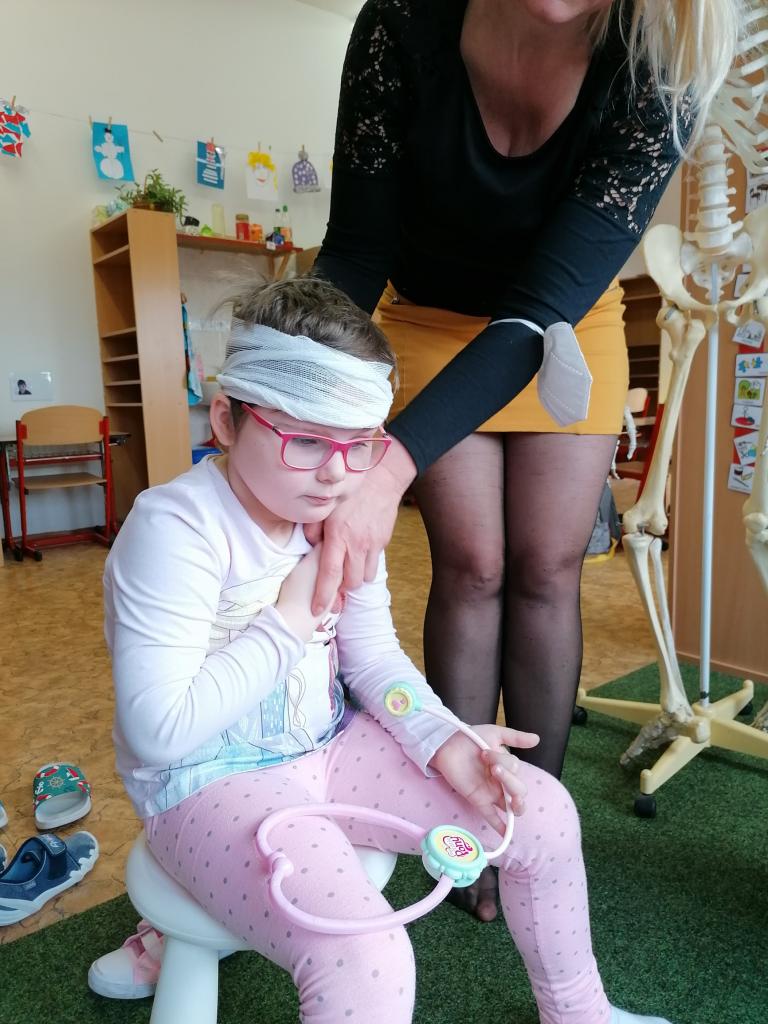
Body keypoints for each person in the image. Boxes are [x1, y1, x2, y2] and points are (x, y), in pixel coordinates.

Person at [93, 277, 674, 1024]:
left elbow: (371, 659)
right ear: (227, 420)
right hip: (203, 780)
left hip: (328, 746)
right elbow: (158, 731)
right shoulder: (174, 528)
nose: (337, 472)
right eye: (306, 440)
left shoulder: (337, 507)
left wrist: (442, 738)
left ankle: (579, 1013)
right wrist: (291, 619)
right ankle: (173, 927)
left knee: (544, 812)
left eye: (361, 444)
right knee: (367, 957)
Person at [306, 0, 746, 918]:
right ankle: (458, 825)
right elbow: (355, 249)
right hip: (427, 323)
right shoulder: (402, 21)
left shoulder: (659, 64)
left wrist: (389, 468)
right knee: (473, 566)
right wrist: (289, 393)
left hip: (564, 328)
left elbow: (537, 311)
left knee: (548, 569)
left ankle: (532, 828)